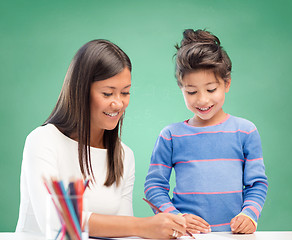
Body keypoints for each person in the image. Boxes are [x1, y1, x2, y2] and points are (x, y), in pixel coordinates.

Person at [16, 39, 186, 239]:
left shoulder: (124, 156)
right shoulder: (43, 140)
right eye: (107, 93)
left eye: (125, 93)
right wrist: (142, 226)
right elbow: (57, 221)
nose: (118, 103)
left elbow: (123, 229)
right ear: (80, 91)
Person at [144, 29, 268, 234]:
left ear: (226, 84)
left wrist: (249, 214)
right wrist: (176, 217)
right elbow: (154, 186)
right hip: (186, 236)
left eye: (211, 89)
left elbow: (257, 183)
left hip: (233, 236)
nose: (202, 100)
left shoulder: (246, 132)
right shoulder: (171, 136)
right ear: (181, 88)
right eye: (191, 91)